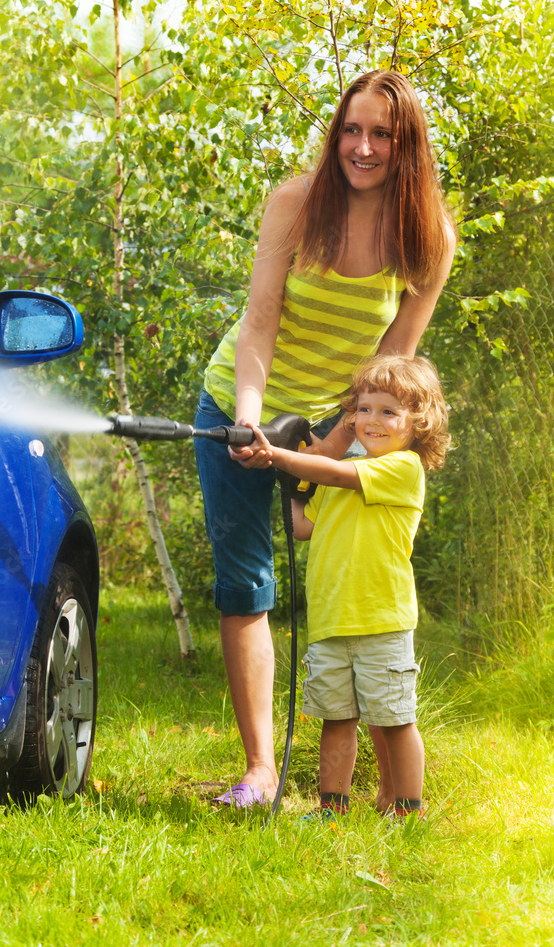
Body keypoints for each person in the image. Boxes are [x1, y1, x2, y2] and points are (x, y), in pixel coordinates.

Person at [194, 69, 456, 810]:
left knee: (336, 558)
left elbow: (391, 367)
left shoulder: (427, 236)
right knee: (246, 579)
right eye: (350, 129)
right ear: (334, 133)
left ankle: (378, 779)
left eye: (381, 133)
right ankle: (260, 771)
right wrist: (249, 421)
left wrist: (327, 447)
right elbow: (259, 324)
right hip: (237, 400)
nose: (362, 147)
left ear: (407, 146)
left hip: (340, 420)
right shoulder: (293, 204)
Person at [238, 354, 451, 820]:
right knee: (336, 719)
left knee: (394, 720)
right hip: (331, 619)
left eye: (389, 411)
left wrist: (280, 453)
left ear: (420, 424)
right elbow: (302, 525)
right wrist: (291, 478)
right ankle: (331, 807)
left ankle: (406, 810)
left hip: (381, 619)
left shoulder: (402, 469)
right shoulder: (340, 476)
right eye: (364, 409)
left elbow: (332, 472)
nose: (371, 420)